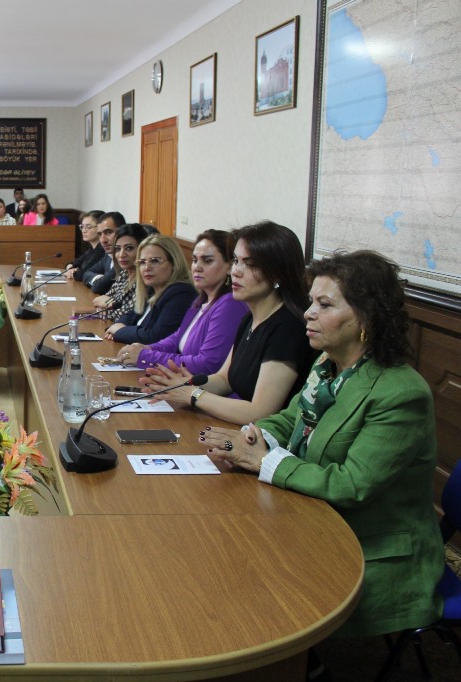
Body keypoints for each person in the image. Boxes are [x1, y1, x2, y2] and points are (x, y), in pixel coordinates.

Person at [200, 250, 442, 638]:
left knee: (243, 586)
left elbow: (352, 485)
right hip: (310, 517)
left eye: (324, 304)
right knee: (220, 552)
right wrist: (248, 438)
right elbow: (291, 418)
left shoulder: (401, 393)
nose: (308, 313)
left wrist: (263, 461)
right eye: (311, 301)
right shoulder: (327, 364)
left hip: (370, 548)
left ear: (368, 317)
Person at [142, 220, 315, 423]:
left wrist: (193, 395)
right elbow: (224, 379)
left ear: (278, 273)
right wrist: (182, 383)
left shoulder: (287, 328)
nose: (236, 271)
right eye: (235, 260)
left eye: (249, 264)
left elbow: (260, 412)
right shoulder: (251, 317)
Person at [116, 229, 247, 375]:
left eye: (207, 260)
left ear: (230, 266)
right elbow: (176, 339)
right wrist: (148, 348)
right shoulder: (201, 300)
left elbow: (208, 364)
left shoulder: (230, 304)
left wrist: (145, 356)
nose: (197, 267)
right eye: (195, 260)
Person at [104, 234, 196, 344]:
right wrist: (117, 326)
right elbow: (129, 316)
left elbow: (154, 337)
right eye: (142, 262)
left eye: (155, 261)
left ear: (174, 264)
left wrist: (119, 331)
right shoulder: (151, 289)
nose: (147, 268)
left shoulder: (181, 294)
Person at [93, 222, 148, 321]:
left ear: (142, 249)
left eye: (129, 248)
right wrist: (109, 304)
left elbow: (130, 314)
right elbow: (99, 301)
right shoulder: (124, 274)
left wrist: (108, 305)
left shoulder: (146, 279)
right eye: (118, 249)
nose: (121, 254)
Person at [63, 211, 104, 280]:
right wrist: (71, 268)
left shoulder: (102, 250)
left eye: (88, 227)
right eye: (82, 227)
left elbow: (83, 274)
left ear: (100, 228)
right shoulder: (91, 249)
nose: (83, 231)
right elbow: (71, 264)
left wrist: (73, 272)